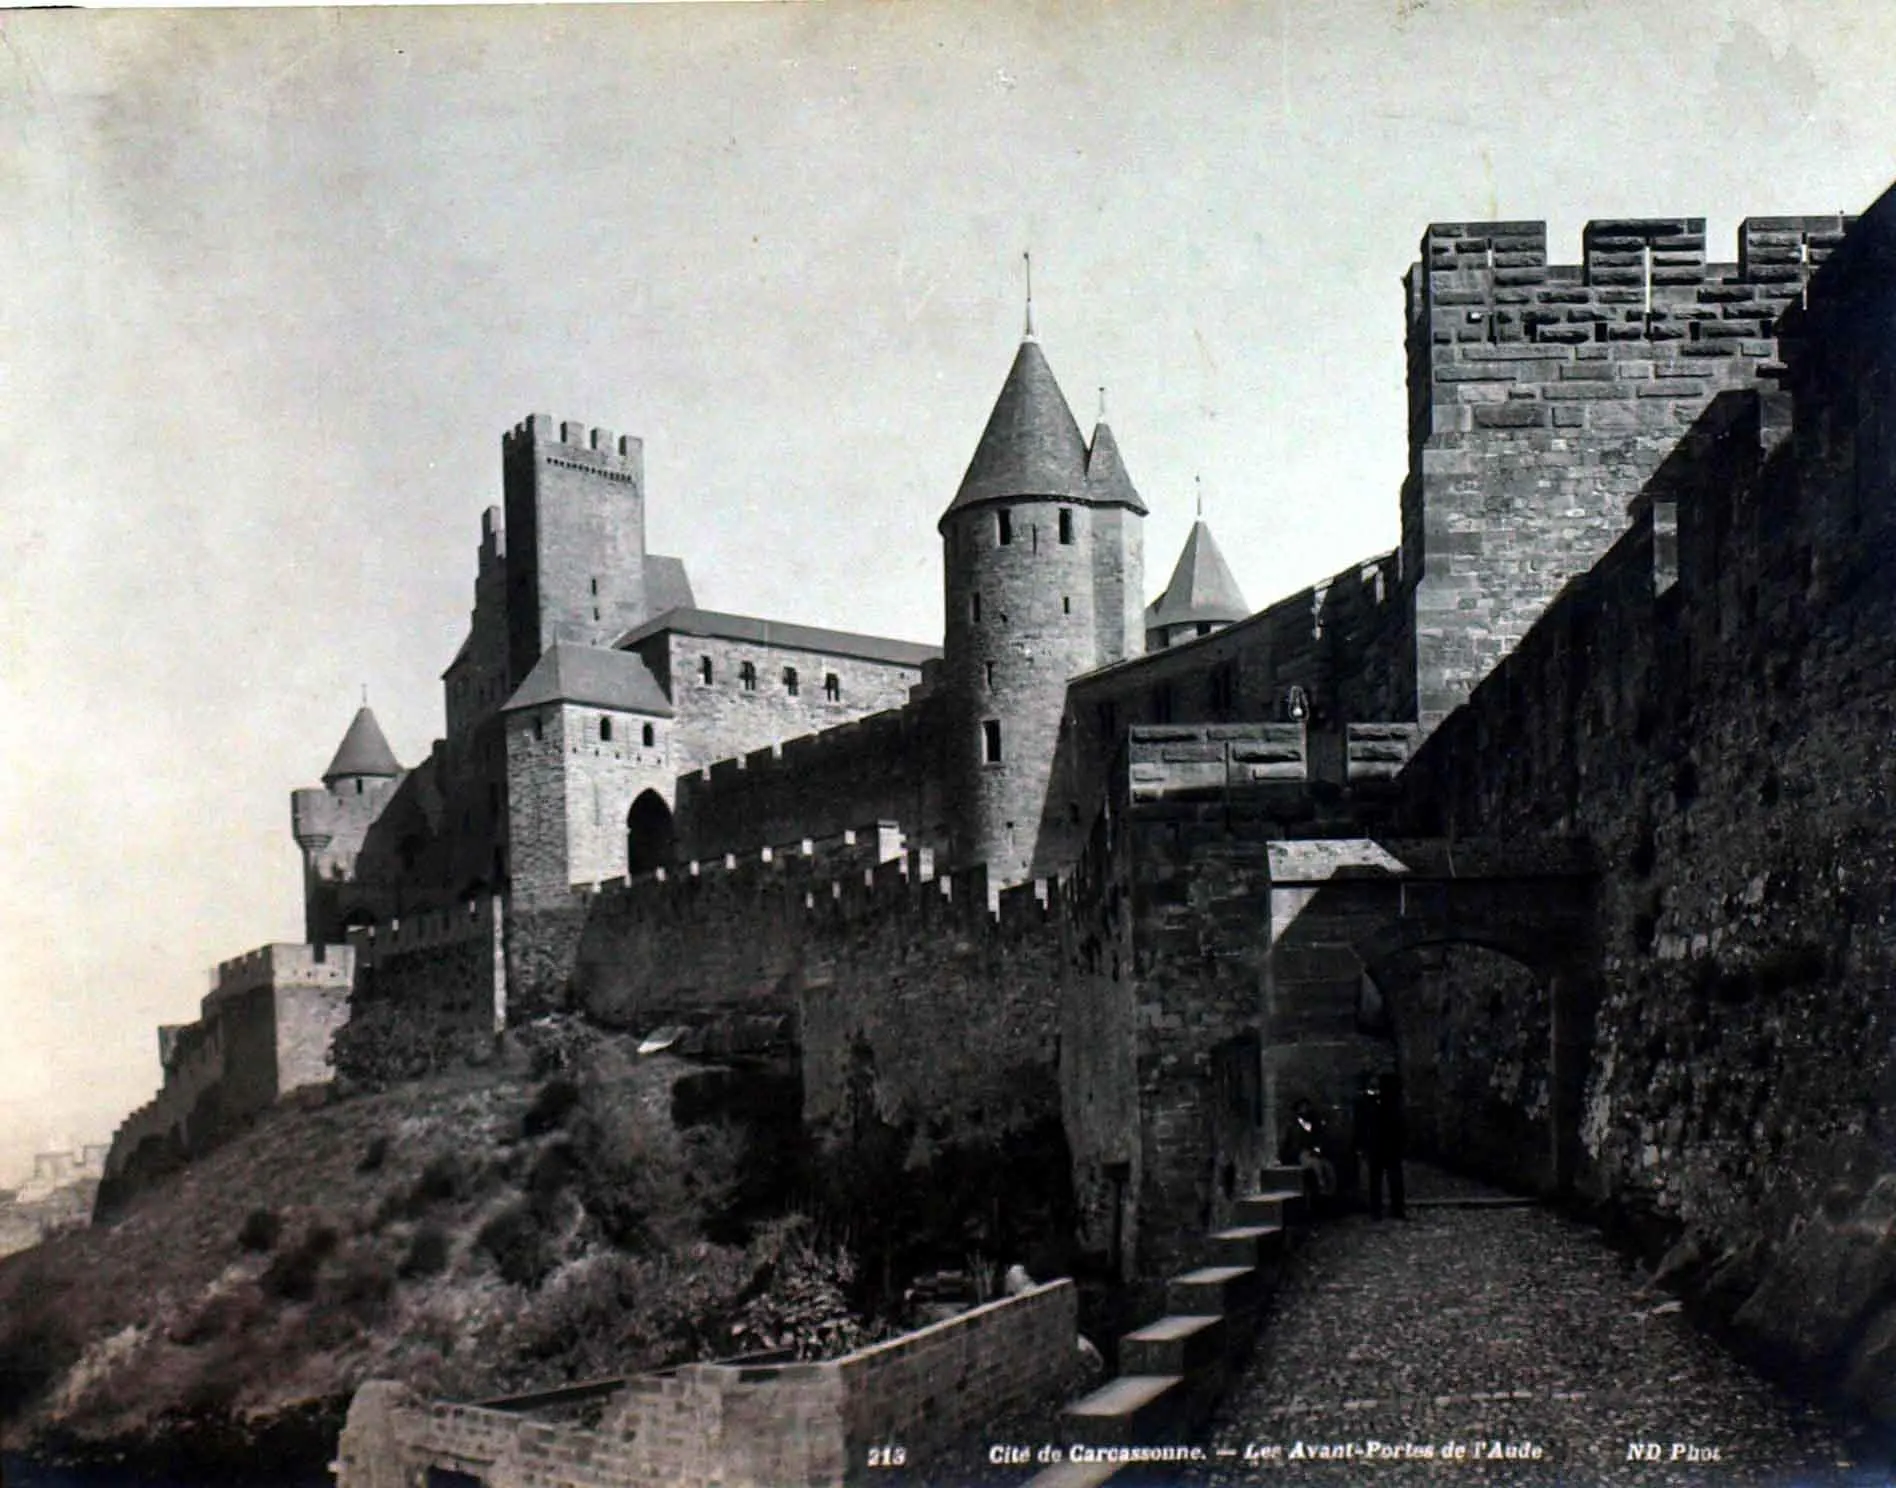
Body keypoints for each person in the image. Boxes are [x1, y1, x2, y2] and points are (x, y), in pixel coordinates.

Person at [1277, 1097, 1337, 1204]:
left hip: (1312, 1153)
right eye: (1302, 1107)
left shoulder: (1314, 1123)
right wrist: (1284, 1156)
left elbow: (1319, 1139)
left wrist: (1317, 1150)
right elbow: (1288, 1143)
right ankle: (1321, 1185)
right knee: (1314, 1164)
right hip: (1299, 1154)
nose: (1305, 1109)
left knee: (1328, 1167)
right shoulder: (1293, 1125)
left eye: (1306, 1107)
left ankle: (1328, 1191)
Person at [1365, 1069, 1407, 1220]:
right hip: (1383, 1145)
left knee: (1386, 1180)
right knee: (1382, 1180)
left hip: (1386, 1145)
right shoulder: (1386, 1103)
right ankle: (1386, 1210)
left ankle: (1389, 1210)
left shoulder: (1387, 1103)